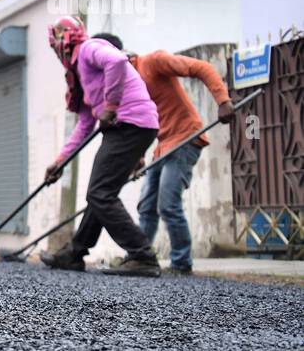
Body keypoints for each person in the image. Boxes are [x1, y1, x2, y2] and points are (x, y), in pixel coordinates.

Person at [94, 32, 235, 274]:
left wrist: (222, 100)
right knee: (146, 206)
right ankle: (140, 257)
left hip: (185, 138)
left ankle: (181, 263)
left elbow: (201, 66)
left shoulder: (153, 62)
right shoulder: (125, 88)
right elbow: (144, 122)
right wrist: (137, 157)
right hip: (162, 145)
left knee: (168, 204)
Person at [40, 17, 162, 277]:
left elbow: (117, 61)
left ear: (64, 42)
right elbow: (85, 125)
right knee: (100, 192)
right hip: (126, 125)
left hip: (130, 123)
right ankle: (74, 253)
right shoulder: (78, 76)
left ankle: (143, 255)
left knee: (100, 193)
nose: (55, 51)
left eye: (55, 45)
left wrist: (111, 106)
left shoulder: (89, 49)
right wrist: (60, 161)